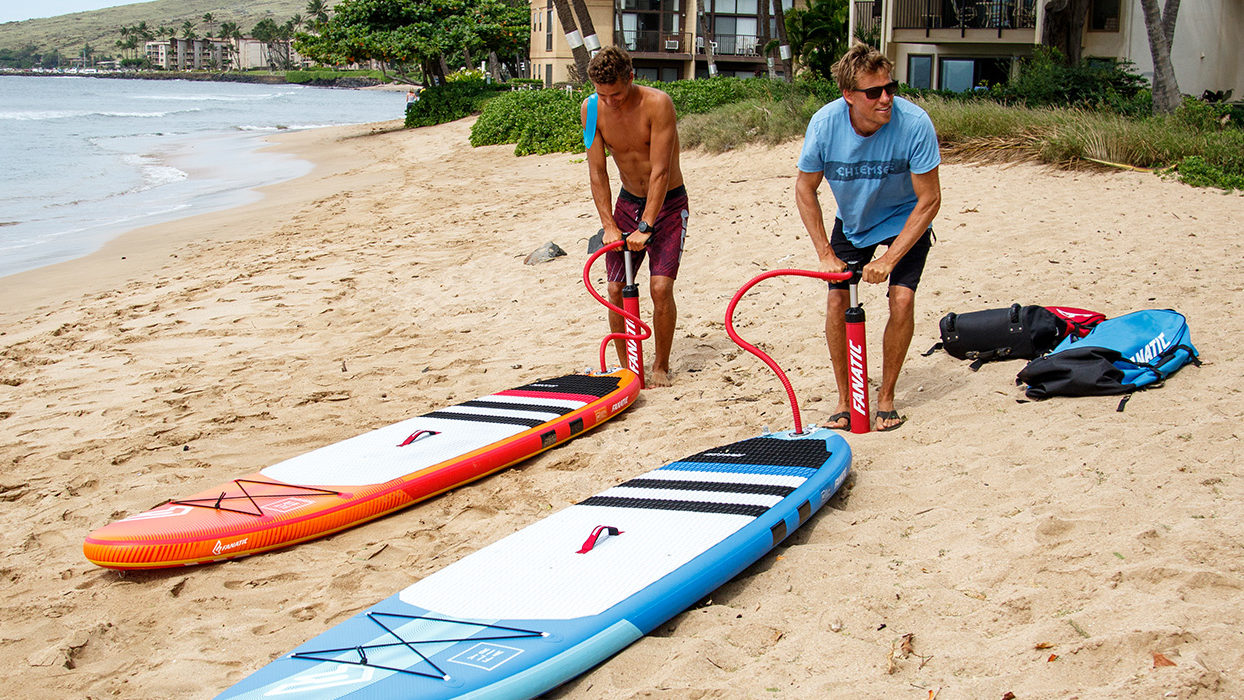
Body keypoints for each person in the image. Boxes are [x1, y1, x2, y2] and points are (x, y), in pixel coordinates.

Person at [794, 43, 942, 431]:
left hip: (903, 219)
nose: (885, 98)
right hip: (854, 221)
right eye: (873, 92)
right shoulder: (825, 125)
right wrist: (825, 253)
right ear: (848, 95)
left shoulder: (914, 123)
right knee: (836, 303)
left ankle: (887, 397)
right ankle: (846, 399)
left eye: (890, 88)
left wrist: (890, 258)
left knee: (902, 300)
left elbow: (930, 200)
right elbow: (804, 189)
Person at [582, 46, 687, 388]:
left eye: (616, 93)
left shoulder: (658, 104)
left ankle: (660, 365)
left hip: (668, 203)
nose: (610, 101)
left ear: (631, 78)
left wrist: (646, 226)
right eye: (602, 94)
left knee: (660, 287)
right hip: (627, 202)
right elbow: (597, 172)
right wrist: (609, 226)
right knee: (614, 288)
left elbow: (660, 170)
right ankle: (629, 368)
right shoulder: (591, 109)